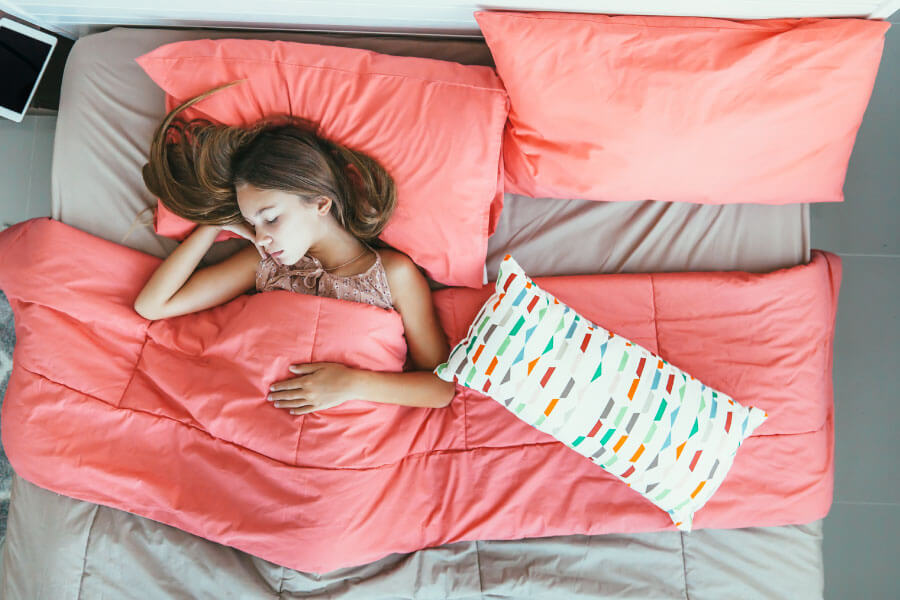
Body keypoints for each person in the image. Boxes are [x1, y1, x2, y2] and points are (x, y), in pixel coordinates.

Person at [133, 82, 455, 415]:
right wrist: (214, 225)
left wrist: (351, 383)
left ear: (320, 203)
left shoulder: (393, 274)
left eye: (270, 218)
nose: (261, 236)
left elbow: (441, 387)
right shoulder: (262, 262)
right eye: (251, 223)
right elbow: (153, 305)